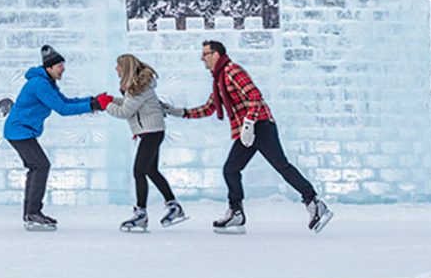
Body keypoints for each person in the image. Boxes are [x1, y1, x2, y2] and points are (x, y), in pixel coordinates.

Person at [165, 40, 332, 234]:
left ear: (216, 54)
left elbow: (255, 96)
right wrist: (180, 112)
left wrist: (248, 123)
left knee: (281, 166)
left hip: (260, 126)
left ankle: (314, 203)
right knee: (231, 169)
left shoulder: (232, 71)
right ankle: (236, 212)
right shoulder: (219, 79)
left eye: (206, 54)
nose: (202, 58)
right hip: (247, 131)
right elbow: (210, 107)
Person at [3, 44, 113, 231]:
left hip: (22, 131)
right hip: (18, 131)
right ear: (49, 68)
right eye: (60, 66)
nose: (63, 70)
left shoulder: (47, 83)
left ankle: (31, 213)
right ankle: (33, 213)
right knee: (40, 165)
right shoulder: (39, 84)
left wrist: (92, 101)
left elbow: (66, 102)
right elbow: (62, 110)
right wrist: (94, 106)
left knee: (36, 166)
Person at [102, 53, 186, 232]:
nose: (116, 69)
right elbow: (128, 104)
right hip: (151, 132)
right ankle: (173, 206)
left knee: (139, 171)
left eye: (118, 66)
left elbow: (124, 112)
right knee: (151, 170)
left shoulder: (138, 88)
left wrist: (105, 105)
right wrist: (110, 100)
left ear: (125, 68)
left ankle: (141, 213)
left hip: (151, 133)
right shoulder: (137, 88)